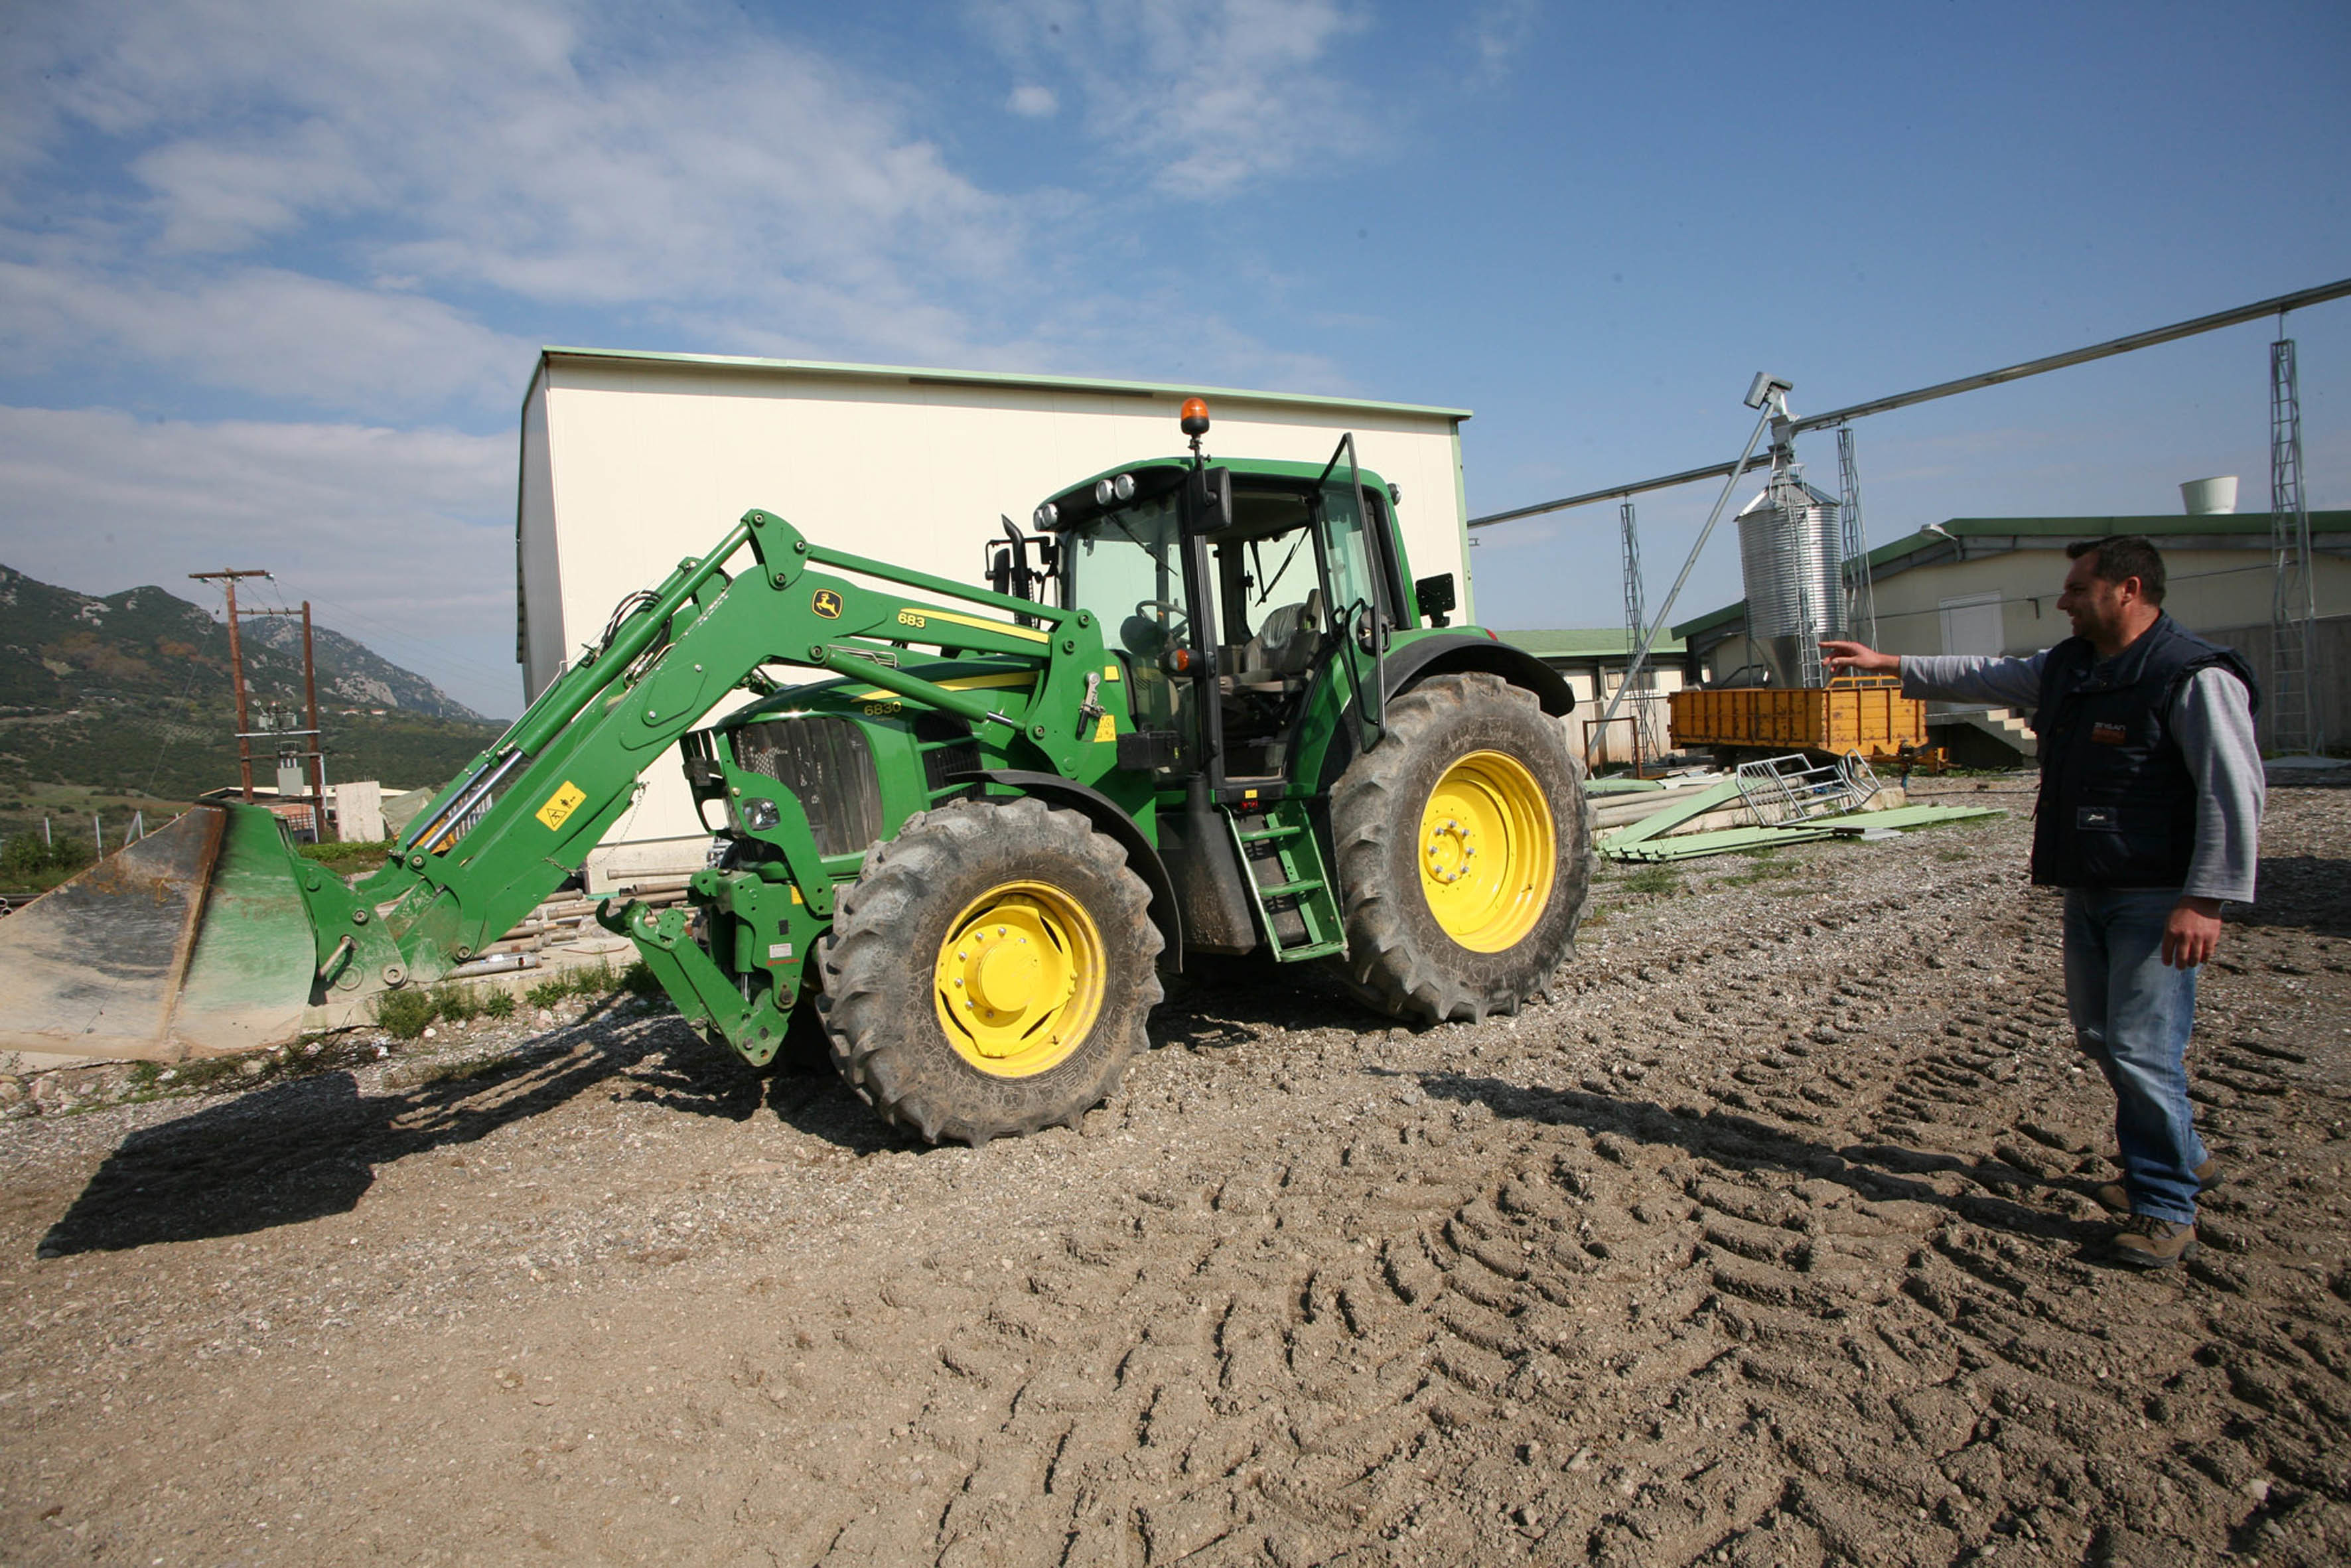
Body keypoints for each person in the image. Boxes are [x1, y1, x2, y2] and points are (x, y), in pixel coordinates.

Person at [1822, 535, 2263, 1270]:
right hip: (2089, 885)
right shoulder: (2072, 667)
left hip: (2156, 895)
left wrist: (2208, 898)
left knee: (2142, 1048)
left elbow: (2234, 789)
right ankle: (2184, 1154)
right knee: (2099, 1035)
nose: (2061, 600)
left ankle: (2164, 1205)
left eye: (2076, 588)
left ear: (2127, 589)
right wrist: (1888, 663)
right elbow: (1986, 673)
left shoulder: (2191, 675)